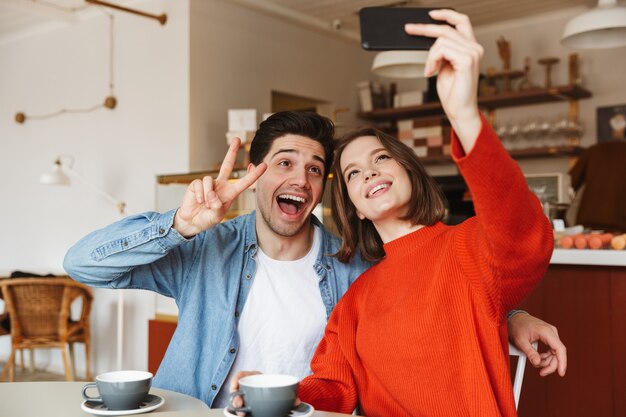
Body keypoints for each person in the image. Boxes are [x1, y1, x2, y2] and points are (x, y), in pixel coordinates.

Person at [64, 100, 564, 407]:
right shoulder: (207, 247)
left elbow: (442, 281)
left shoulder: (356, 267)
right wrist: (178, 225)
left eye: (316, 170)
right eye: (284, 163)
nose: (300, 180)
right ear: (255, 175)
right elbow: (83, 264)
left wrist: (506, 312)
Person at [280, 9, 554, 417]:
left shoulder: (468, 248)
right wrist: (279, 396)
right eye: (353, 173)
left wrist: (463, 115)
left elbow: (523, 235)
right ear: (353, 207)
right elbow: (334, 389)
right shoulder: (355, 300)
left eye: (381, 158)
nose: (369, 171)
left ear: (409, 169)